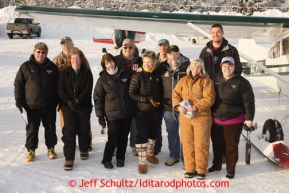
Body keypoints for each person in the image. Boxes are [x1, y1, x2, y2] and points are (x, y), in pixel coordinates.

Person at [199, 24, 243, 163]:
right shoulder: (205, 51)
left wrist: (228, 82)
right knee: (214, 125)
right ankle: (217, 153)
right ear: (210, 34)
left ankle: (226, 154)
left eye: (218, 32)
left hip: (226, 91)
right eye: (213, 32)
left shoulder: (231, 50)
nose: (216, 35)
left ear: (223, 33)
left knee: (227, 122)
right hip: (209, 91)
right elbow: (200, 70)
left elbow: (238, 69)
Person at [209, 56, 255, 179]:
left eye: (230, 66)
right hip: (216, 118)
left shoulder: (242, 82)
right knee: (217, 144)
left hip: (234, 120)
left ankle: (230, 169)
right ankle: (216, 165)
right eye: (224, 66)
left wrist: (249, 118)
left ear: (234, 67)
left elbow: (249, 102)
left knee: (231, 146)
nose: (227, 68)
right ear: (221, 67)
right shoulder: (214, 79)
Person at [14, 42, 59, 162]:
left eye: (43, 52)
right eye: (38, 52)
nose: (41, 54)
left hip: (49, 106)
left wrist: (59, 101)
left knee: (50, 129)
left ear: (47, 53)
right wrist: (18, 100)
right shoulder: (25, 67)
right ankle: (31, 150)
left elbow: (58, 86)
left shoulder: (52, 68)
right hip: (31, 106)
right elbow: (18, 84)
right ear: (33, 52)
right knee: (32, 130)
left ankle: (51, 148)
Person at [172, 59, 215, 180]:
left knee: (201, 143)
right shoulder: (183, 81)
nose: (196, 68)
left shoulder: (206, 81)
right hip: (186, 117)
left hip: (201, 117)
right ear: (190, 67)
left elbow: (209, 98)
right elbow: (175, 95)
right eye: (194, 66)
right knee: (187, 143)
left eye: (199, 67)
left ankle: (201, 169)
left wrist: (196, 106)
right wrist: (178, 106)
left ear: (202, 69)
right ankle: (190, 168)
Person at [93, 53, 135, 169]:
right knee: (113, 137)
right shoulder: (102, 80)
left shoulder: (126, 75)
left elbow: (134, 89)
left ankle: (121, 158)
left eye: (111, 62)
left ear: (115, 62)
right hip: (112, 115)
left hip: (127, 112)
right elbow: (98, 98)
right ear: (104, 65)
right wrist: (100, 116)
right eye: (107, 63)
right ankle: (106, 159)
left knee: (124, 136)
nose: (110, 65)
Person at [53, 36, 93, 151]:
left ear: (72, 44)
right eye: (63, 44)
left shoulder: (81, 57)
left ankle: (86, 142)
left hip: (81, 97)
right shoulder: (56, 60)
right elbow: (53, 79)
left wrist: (82, 97)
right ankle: (69, 142)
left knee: (84, 122)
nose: (66, 46)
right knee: (66, 122)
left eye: (68, 44)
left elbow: (88, 74)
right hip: (64, 97)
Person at [58, 47, 93, 171]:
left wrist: (77, 101)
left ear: (81, 59)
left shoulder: (87, 73)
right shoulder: (64, 73)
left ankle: (84, 149)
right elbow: (61, 90)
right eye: (72, 58)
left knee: (84, 129)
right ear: (69, 60)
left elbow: (87, 90)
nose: (75, 61)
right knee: (69, 132)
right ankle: (69, 158)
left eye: (77, 58)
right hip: (68, 107)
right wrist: (69, 102)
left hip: (83, 105)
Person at [129, 50, 163, 174]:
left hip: (155, 110)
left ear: (154, 62)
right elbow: (132, 93)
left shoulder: (157, 74)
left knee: (153, 134)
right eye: (145, 62)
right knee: (142, 135)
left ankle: (149, 154)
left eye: (150, 62)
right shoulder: (138, 75)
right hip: (141, 110)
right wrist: (146, 100)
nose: (147, 64)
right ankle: (142, 162)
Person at [157, 45, 190, 166]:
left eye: (176, 54)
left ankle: (186, 157)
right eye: (171, 54)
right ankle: (174, 155)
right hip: (168, 106)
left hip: (184, 106)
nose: (173, 56)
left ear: (179, 53)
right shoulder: (162, 67)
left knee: (186, 133)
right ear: (168, 55)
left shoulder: (187, 66)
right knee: (172, 132)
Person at [115, 39, 143, 156]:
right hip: (120, 96)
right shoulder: (116, 60)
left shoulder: (140, 61)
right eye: (125, 47)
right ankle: (116, 146)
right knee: (119, 123)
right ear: (122, 48)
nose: (128, 49)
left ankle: (135, 145)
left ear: (134, 48)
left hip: (136, 96)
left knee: (135, 123)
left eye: (130, 47)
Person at [154, 38, 170, 155]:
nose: (163, 48)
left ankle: (174, 150)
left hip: (169, 97)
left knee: (171, 127)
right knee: (157, 124)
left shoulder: (172, 59)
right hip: (157, 96)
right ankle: (157, 145)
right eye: (161, 46)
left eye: (165, 46)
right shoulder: (154, 60)